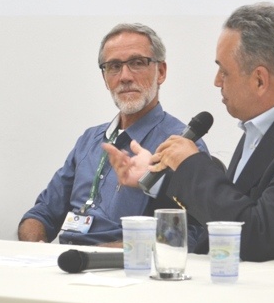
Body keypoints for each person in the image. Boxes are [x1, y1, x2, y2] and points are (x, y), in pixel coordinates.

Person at [104, 3, 274, 264]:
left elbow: (253, 237)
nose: (217, 81)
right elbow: (227, 212)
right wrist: (160, 180)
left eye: (224, 71)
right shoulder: (264, 127)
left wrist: (191, 165)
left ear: (260, 80)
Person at [18, 23, 208, 247]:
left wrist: (105, 254)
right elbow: (41, 213)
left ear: (161, 72)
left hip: (127, 271)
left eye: (137, 63)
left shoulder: (181, 144)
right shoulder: (89, 140)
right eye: (114, 66)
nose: (125, 76)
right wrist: (34, 247)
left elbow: (192, 234)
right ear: (105, 78)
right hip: (67, 264)